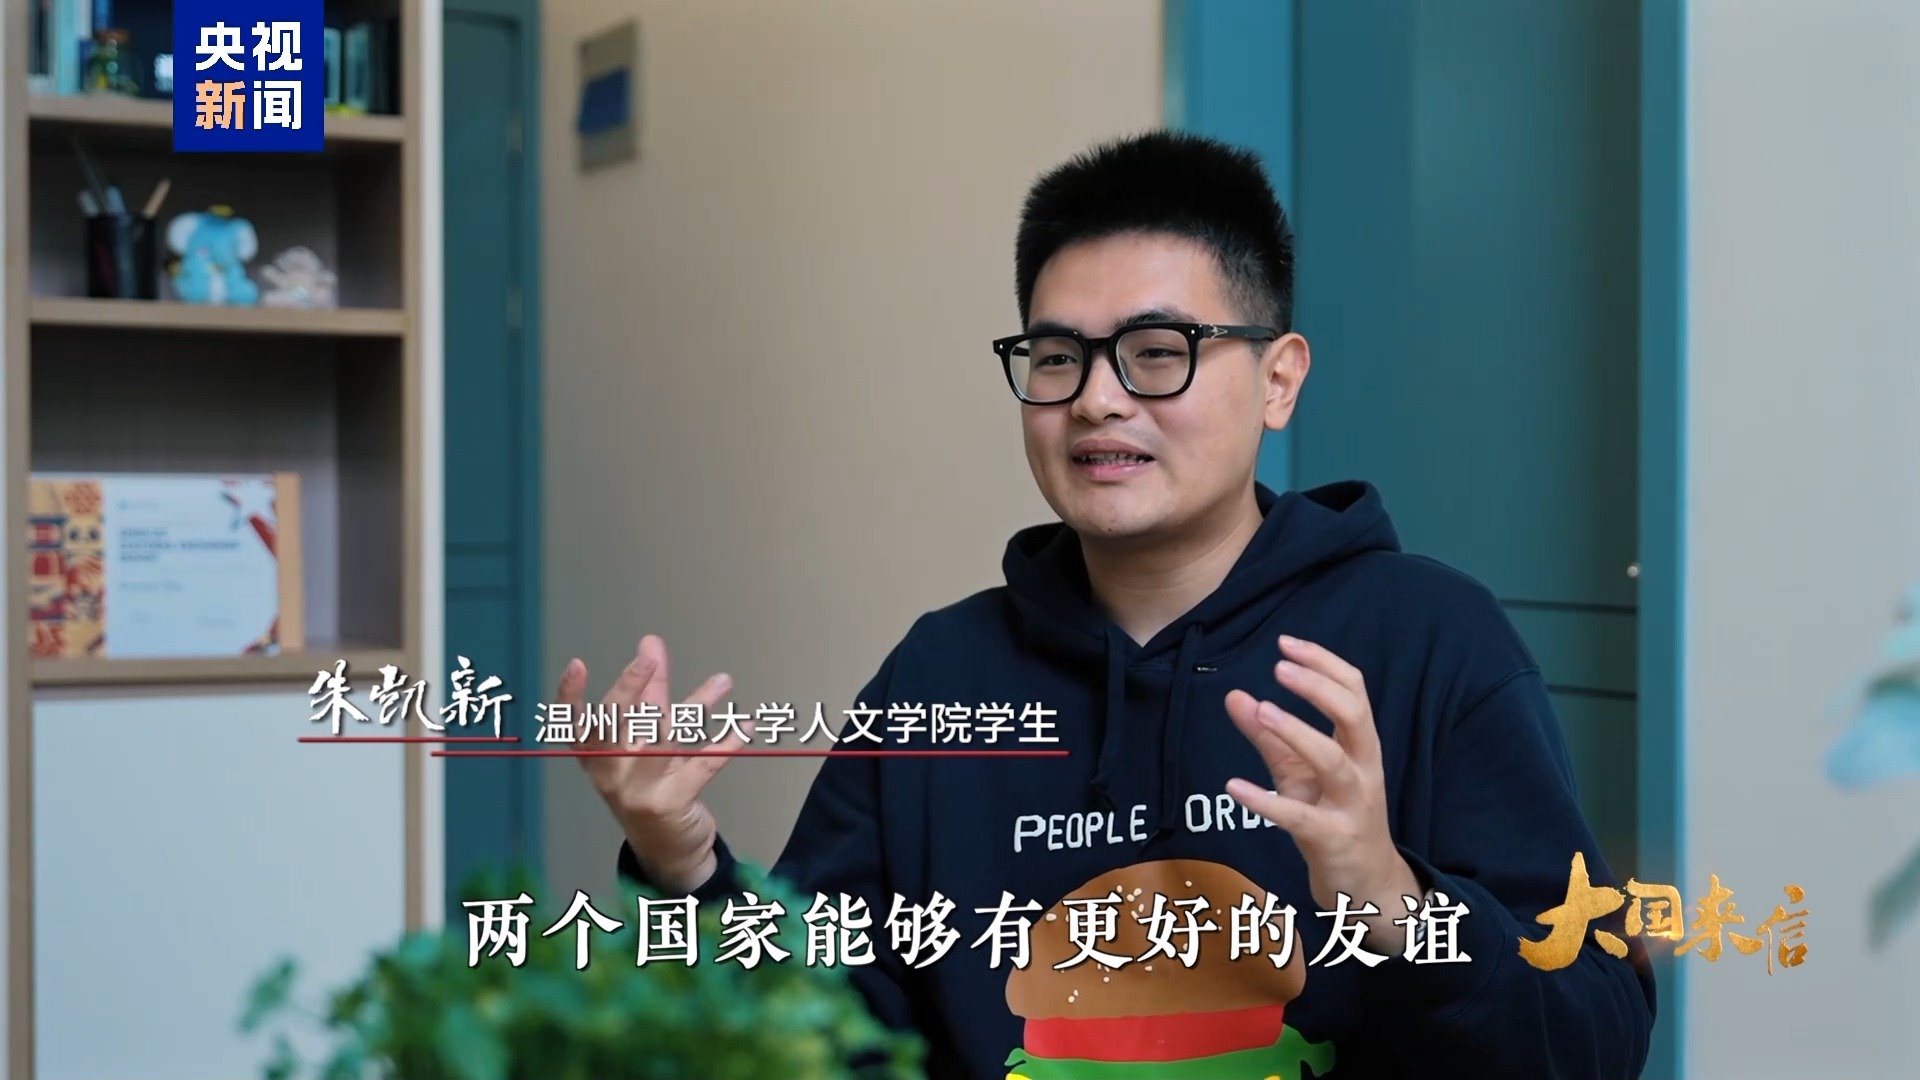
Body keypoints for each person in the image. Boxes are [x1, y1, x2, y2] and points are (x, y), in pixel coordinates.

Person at [556, 130, 1656, 1079]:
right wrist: (682, 863)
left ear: (1279, 378)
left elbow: (1596, 1036)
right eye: (1056, 357)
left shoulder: (1426, 640)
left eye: (1156, 353)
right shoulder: (942, 678)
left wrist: (1393, 902)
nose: (1095, 399)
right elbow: (821, 1038)